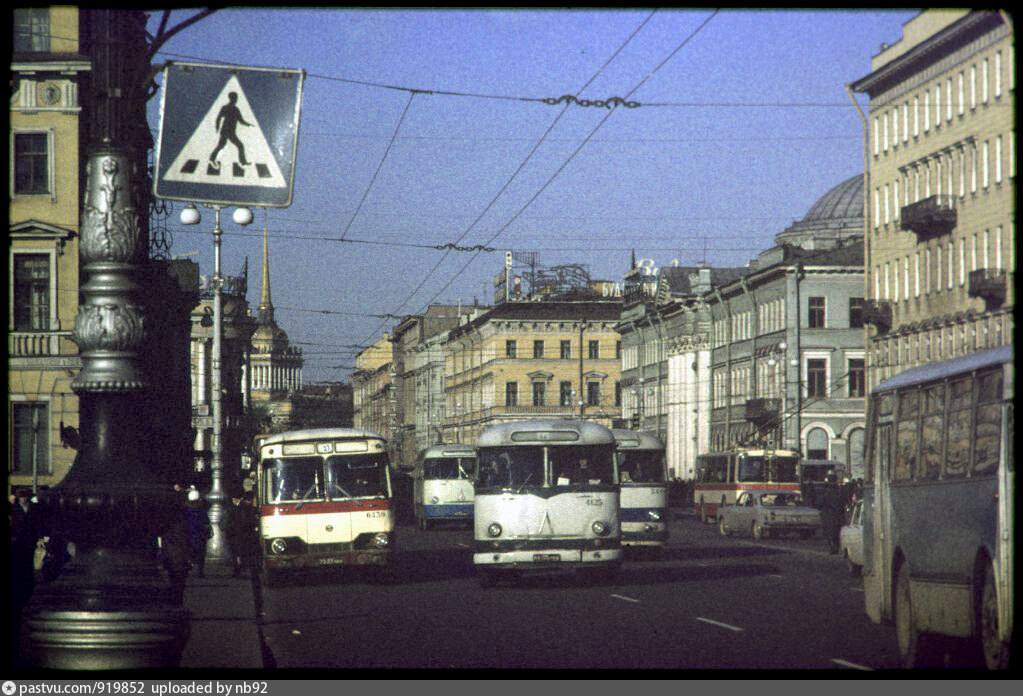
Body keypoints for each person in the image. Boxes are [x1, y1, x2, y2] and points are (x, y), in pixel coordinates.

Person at [209, 92, 252, 166]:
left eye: (236, 98)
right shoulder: (231, 108)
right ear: (232, 99)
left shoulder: (232, 109)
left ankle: (212, 158)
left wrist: (249, 125)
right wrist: (217, 127)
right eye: (235, 98)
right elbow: (219, 118)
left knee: (221, 145)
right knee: (239, 145)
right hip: (228, 131)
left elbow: (241, 121)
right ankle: (243, 162)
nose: (236, 100)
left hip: (227, 131)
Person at [226, 492, 259, 578]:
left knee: (237, 554)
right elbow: (250, 521)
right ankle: (242, 569)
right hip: (244, 533)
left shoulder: (236, 508)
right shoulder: (250, 509)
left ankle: (237, 570)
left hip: (236, 534)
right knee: (245, 553)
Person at [184, 487, 211, 578]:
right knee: (201, 553)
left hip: (189, 533)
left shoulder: (186, 510)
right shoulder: (201, 510)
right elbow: (206, 522)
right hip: (200, 534)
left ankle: (188, 566)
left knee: (189, 552)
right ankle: (200, 571)